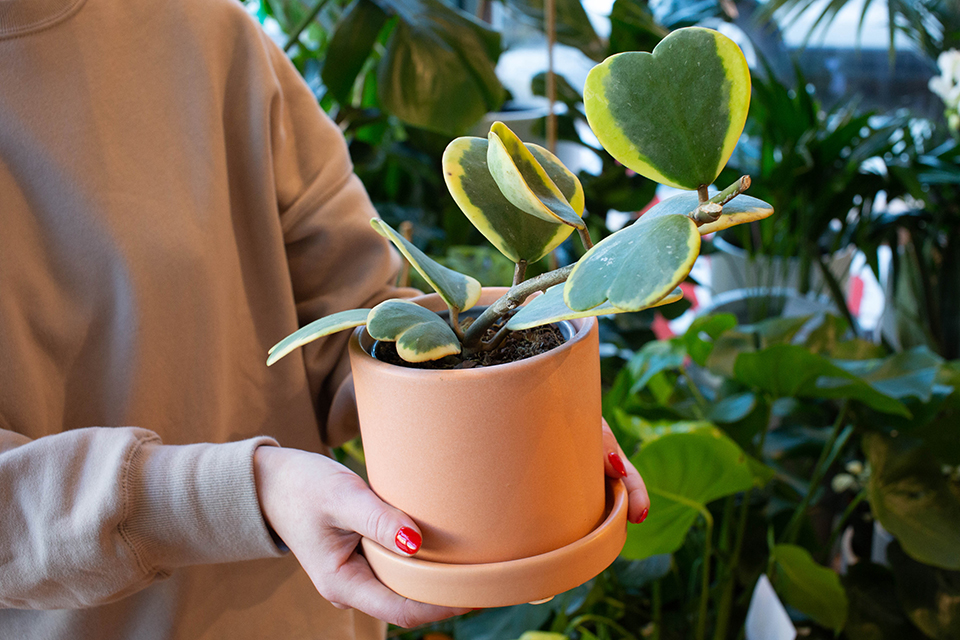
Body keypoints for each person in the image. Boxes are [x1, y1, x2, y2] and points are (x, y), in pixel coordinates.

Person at [0, 0, 651, 637]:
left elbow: (358, 324)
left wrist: (514, 415)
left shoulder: (207, 32)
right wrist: (251, 494)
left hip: (311, 612)